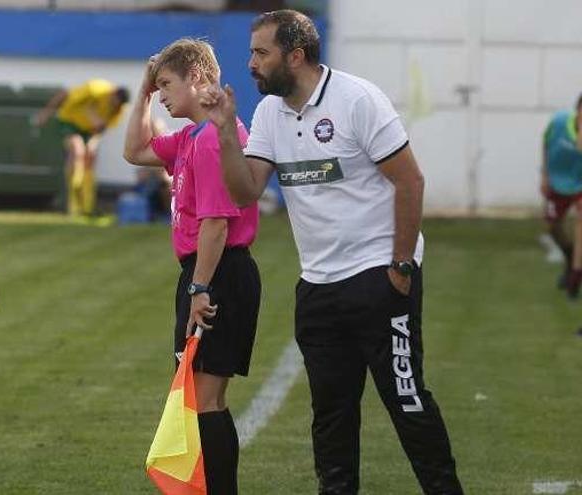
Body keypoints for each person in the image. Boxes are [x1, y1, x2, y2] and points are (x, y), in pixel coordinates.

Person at [199, 10, 464, 494]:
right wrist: (221, 132)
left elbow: (410, 181)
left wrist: (401, 268)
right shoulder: (268, 114)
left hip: (379, 278)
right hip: (318, 288)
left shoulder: (356, 99)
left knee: (406, 402)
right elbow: (244, 192)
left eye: (261, 52)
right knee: (331, 417)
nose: (251, 63)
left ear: (295, 56)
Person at [124, 38, 261, 494]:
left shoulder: (211, 140)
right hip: (209, 273)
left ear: (197, 78)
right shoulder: (191, 136)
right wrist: (141, 91)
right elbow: (135, 150)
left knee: (203, 401)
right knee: (204, 400)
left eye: (165, 84)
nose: (160, 93)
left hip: (217, 274)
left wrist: (199, 288)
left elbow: (217, 224)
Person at [35, 79, 130, 217]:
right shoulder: (95, 89)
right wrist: (45, 114)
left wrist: (93, 142)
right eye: (114, 101)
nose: (115, 106)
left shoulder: (119, 110)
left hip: (89, 130)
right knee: (77, 150)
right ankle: (72, 201)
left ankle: (87, 205)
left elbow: (101, 129)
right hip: (70, 121)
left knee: (90, 157)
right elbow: (65, 94)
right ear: (113, 93)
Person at [540, 94, 582, 299]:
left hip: (579, 183)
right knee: (553, 227)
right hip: (557, 182)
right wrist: (545, 175)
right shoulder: (558, 122)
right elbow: (546, 143)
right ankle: (571, 258)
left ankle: (575, 273)